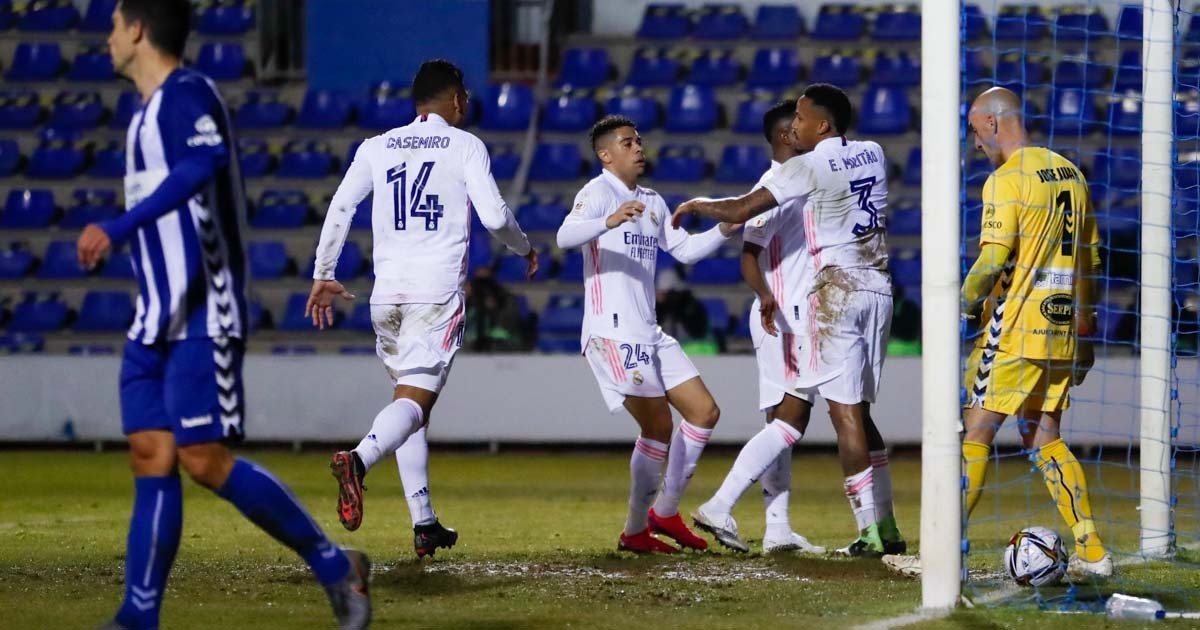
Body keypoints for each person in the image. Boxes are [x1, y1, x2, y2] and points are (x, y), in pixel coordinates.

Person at [76, 2, 369, 628]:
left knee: (204, 458)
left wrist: (119, 227)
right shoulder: (142, 116)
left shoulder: (188, 94)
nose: (105, 39)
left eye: (112, 25)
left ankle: (334, 565)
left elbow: (202, 164)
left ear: (135, 30)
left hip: (204, 312)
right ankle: (138, 614)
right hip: (152, 318)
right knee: (150, 455)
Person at [306, 59, 537, 558]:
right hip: (435, 295)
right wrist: (524, 248)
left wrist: (324, 272)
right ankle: (359, 459)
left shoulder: (376, 146)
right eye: (466, 99)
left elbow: (341, 207)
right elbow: (495, 215)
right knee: (416, 403)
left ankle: (424, 521)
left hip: (385, 296)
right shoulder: (465, 144)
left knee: (407, 405)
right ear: (455, 100)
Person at [885, 87, 1110, 580]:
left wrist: (958, 306)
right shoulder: (1069, 172)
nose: (974, 140)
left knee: (978, 429)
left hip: (1014, 328)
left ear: (992, 122)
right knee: (1043, 434)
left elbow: (991, 259)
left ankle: (945, 552)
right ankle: (1092, 549)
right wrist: (1086, 322)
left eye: (973, 128)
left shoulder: (1006, 180)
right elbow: (1091, 256)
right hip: (1060, 328)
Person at [672, 84, 905, 557]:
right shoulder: (873, 152)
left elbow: (740, 211)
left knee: (832, 415)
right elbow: (753, 250)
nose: (793, 125)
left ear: (822, 125)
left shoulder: (804, 166)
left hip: (832, 296)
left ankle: (868, 530)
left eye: (801, 117)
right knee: (832, 413)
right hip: (878, 289)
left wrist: (699, 204)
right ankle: (878, 524)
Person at [556, 115, 740, 553]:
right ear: (606, 154)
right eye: (627, 143)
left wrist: (724, 229)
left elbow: (685, 251)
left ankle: (665, 512)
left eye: (638, 141)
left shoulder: (653, 201)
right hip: (613, 332)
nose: (638, 148)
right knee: (658, 425)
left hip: (649, 333)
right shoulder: (597, 192)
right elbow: (565, 236)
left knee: (704, 412)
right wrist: (609, 220)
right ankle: (636, 529)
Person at [689, 100, 823, 554]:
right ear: (788, 135)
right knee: (793, 418)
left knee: (780, 423)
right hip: (784, 315)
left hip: (786, 312)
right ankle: (720, 503)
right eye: (803, 127)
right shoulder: (772, 185)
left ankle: (778, 528)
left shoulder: (797, 182)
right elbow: (749, 253)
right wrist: (767, 295)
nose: (810, 134)